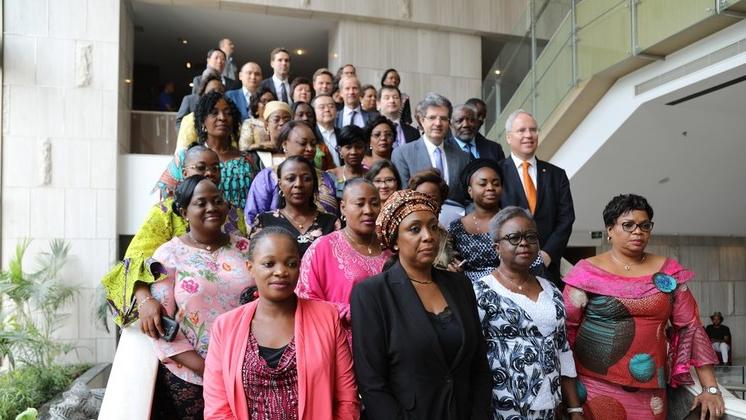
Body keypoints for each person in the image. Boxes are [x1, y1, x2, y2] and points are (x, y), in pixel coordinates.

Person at [563, 194, 723, 420]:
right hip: (594, 386)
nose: (637, 232)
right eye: (628, 225)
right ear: (610, 230)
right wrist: (569, 400)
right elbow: (566, 332)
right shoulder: (586, 272)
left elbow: (691, 327)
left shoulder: (668, 271)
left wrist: (711, 388)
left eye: (644, 225)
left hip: (650, 391)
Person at [350, 190, 492, 419]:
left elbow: (479, 365)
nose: (428, 236)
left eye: (433, 227)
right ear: (395, 240)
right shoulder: (372, 294)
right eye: (415, 229)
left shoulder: (460, 285)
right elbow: (372, 384)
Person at [203, 227, 360, 419]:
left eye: (291, 264)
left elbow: (346, 399)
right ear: (250, 268)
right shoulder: (225, 327)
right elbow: (217, 407)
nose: (281, 272)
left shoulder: (328, 317)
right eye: (269, 264)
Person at [101, 145, 248, 328]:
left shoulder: (232, 213)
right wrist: (144, 299)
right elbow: (135, 261)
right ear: (184, 173)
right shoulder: (164, 213)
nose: (209, 173)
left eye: (215, 168)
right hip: (182, 312)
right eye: (201, 167)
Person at [149, 175, 254, 418]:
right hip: (190, 377)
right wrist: (209, 371)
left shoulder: (247, 249)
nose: (212, 207)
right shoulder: (168, 254)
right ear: (184, 211)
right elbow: (162, 326)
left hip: (245, 372)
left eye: (217, 201)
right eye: (201, 203)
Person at [476, 206, 582, 419]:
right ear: (497, 247)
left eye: (530, 237)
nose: (524, 243)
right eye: (514, 237)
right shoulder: (480, 291)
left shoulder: (551, 290)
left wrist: (574, 409)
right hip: (503, 409)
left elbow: (563, 350)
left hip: (550, 407)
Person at [297, 178, 390, 344]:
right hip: (340, 344)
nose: (368, 210)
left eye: (375, 204)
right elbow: (306, 299)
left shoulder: (390, 249)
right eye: (360, 204)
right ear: (343, 207)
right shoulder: (323, 247)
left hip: (387, 342)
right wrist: (350, 312)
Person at [500, 109, 574, 286]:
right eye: (521, 130)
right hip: (509, 266)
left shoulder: (556, 175)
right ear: (509, 137)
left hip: (548, 267)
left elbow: (566, 218)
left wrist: (548, 254)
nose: (528, 135)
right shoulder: (497, 174)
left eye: (533, 130)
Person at [156, 91, 259, 210]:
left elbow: (258, 200)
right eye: (214, 113)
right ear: (203, 122)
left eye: (228, 113)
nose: (222, 118)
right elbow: (166, 201)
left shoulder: (246, 160)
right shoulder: (185, 157)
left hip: (240, 221)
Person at [244, 121, 338, 224]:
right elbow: (253, 219)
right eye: (303, 143)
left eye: (313, 144)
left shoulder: (326, 178)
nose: (310, 149)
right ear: (285, 144)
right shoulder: (267, 178)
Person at [249, 156, 340, 257]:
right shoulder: (264, 221)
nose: (298, 184)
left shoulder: (331, 222)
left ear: (314, 184)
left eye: (306, 179)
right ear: (280, 184)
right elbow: (255, 260)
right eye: (290, 179)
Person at [391, 93, 472, 205]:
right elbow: (403, 196)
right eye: (432, 118)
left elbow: (466, 197)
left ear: (449, 123)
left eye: (443, 118)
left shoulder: (462, 157)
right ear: (421, 120)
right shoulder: (402, 154)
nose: (438, 123)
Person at [176, 74, 226, 151]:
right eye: (212, 91)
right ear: (203, 93)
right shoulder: (190, 119)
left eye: (220, 91)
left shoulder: (228, 118)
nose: (216, 94)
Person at [327, 125, 367, 199]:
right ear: (340, 150)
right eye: (348, 147)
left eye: (358, 147)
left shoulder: (372, 175)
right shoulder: (331, 176)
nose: (353, 152)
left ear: (365, 149)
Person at [238, 86, 276, 153]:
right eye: (263, 101)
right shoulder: (250, 123)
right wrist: (265, 145)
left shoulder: (281, 122)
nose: (267, 104)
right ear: (256, 105)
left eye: (271, 101)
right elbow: (244, 147)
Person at [312, 94, 343, 167]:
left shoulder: (342, 134)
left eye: (331, 106)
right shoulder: (312, 135)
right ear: (313, 112)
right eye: (322, 107)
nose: (327, 110)